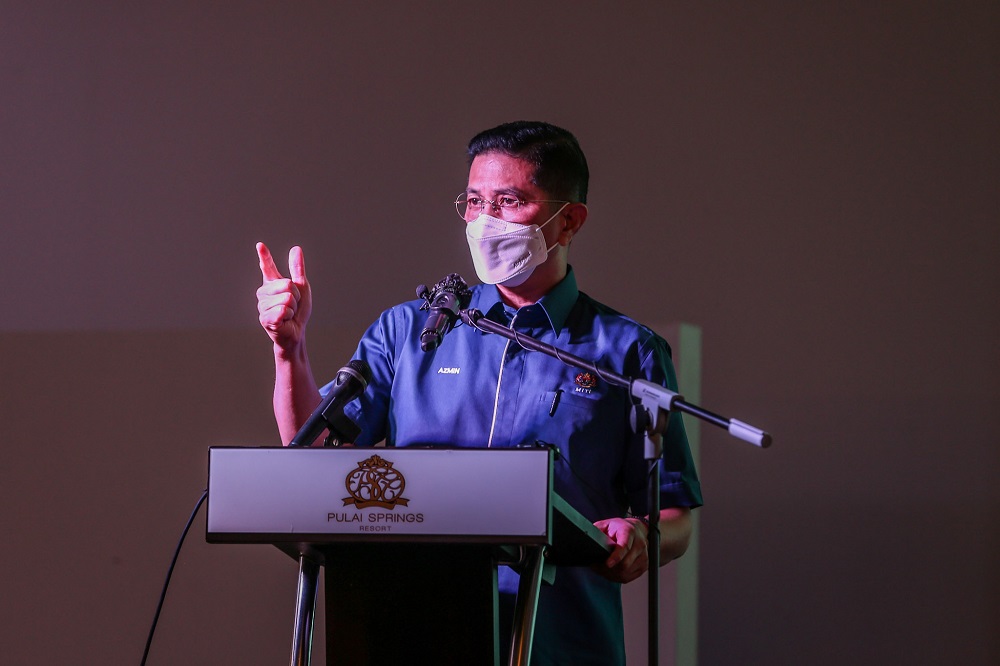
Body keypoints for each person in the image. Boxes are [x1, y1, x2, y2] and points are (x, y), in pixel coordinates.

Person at [255, 121, 702, 665]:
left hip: (560, 641)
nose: (484, 221)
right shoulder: (412, 330)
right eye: (473, 201)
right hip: (411, 632)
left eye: (509, 201)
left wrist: (640, 533)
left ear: (569, 221)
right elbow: (310, 448)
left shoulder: (627, 352)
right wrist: (289, 350)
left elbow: (675, 517)